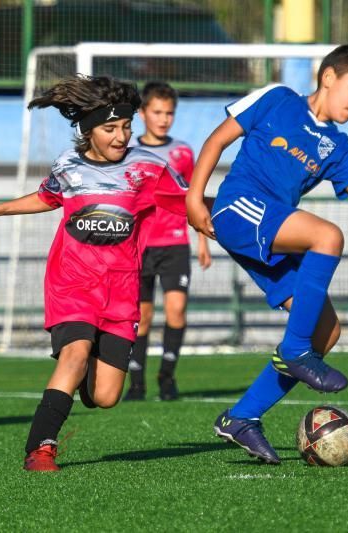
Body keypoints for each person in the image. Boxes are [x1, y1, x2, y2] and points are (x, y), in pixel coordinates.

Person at [186, 43, 348, 464]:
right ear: (328, 77)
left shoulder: (337, 146)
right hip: (237, 208)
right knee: (328, 237)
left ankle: (242, 418)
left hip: (273, 227)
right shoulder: (278, 99)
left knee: (326, 330)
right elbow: (217, 140)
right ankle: (296, 352)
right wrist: (195, 198)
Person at [0, 75, 187, 471]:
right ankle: (41, 448)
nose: (121, 136)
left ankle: (87, 371)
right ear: (88, 131)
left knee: (105, 397)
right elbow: (46, 196)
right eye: (110, 128)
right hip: (73, 283)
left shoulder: (150, 169)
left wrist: (231, 217)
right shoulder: (68, 167)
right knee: (74, 352)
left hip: (121, 291)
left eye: (126, 127)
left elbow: (189, 203)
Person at [123, 81, 211, 402]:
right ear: (142, 113)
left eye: (169, 113)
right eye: (157, 112)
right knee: (142, 316)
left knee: (176, 311)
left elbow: (193, 198)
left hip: (175, 243)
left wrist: (203, 240)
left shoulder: (182, 152)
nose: (163, 119)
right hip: (139, 246)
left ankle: (167, 376)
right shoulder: (129, 152)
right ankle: (136, 382)